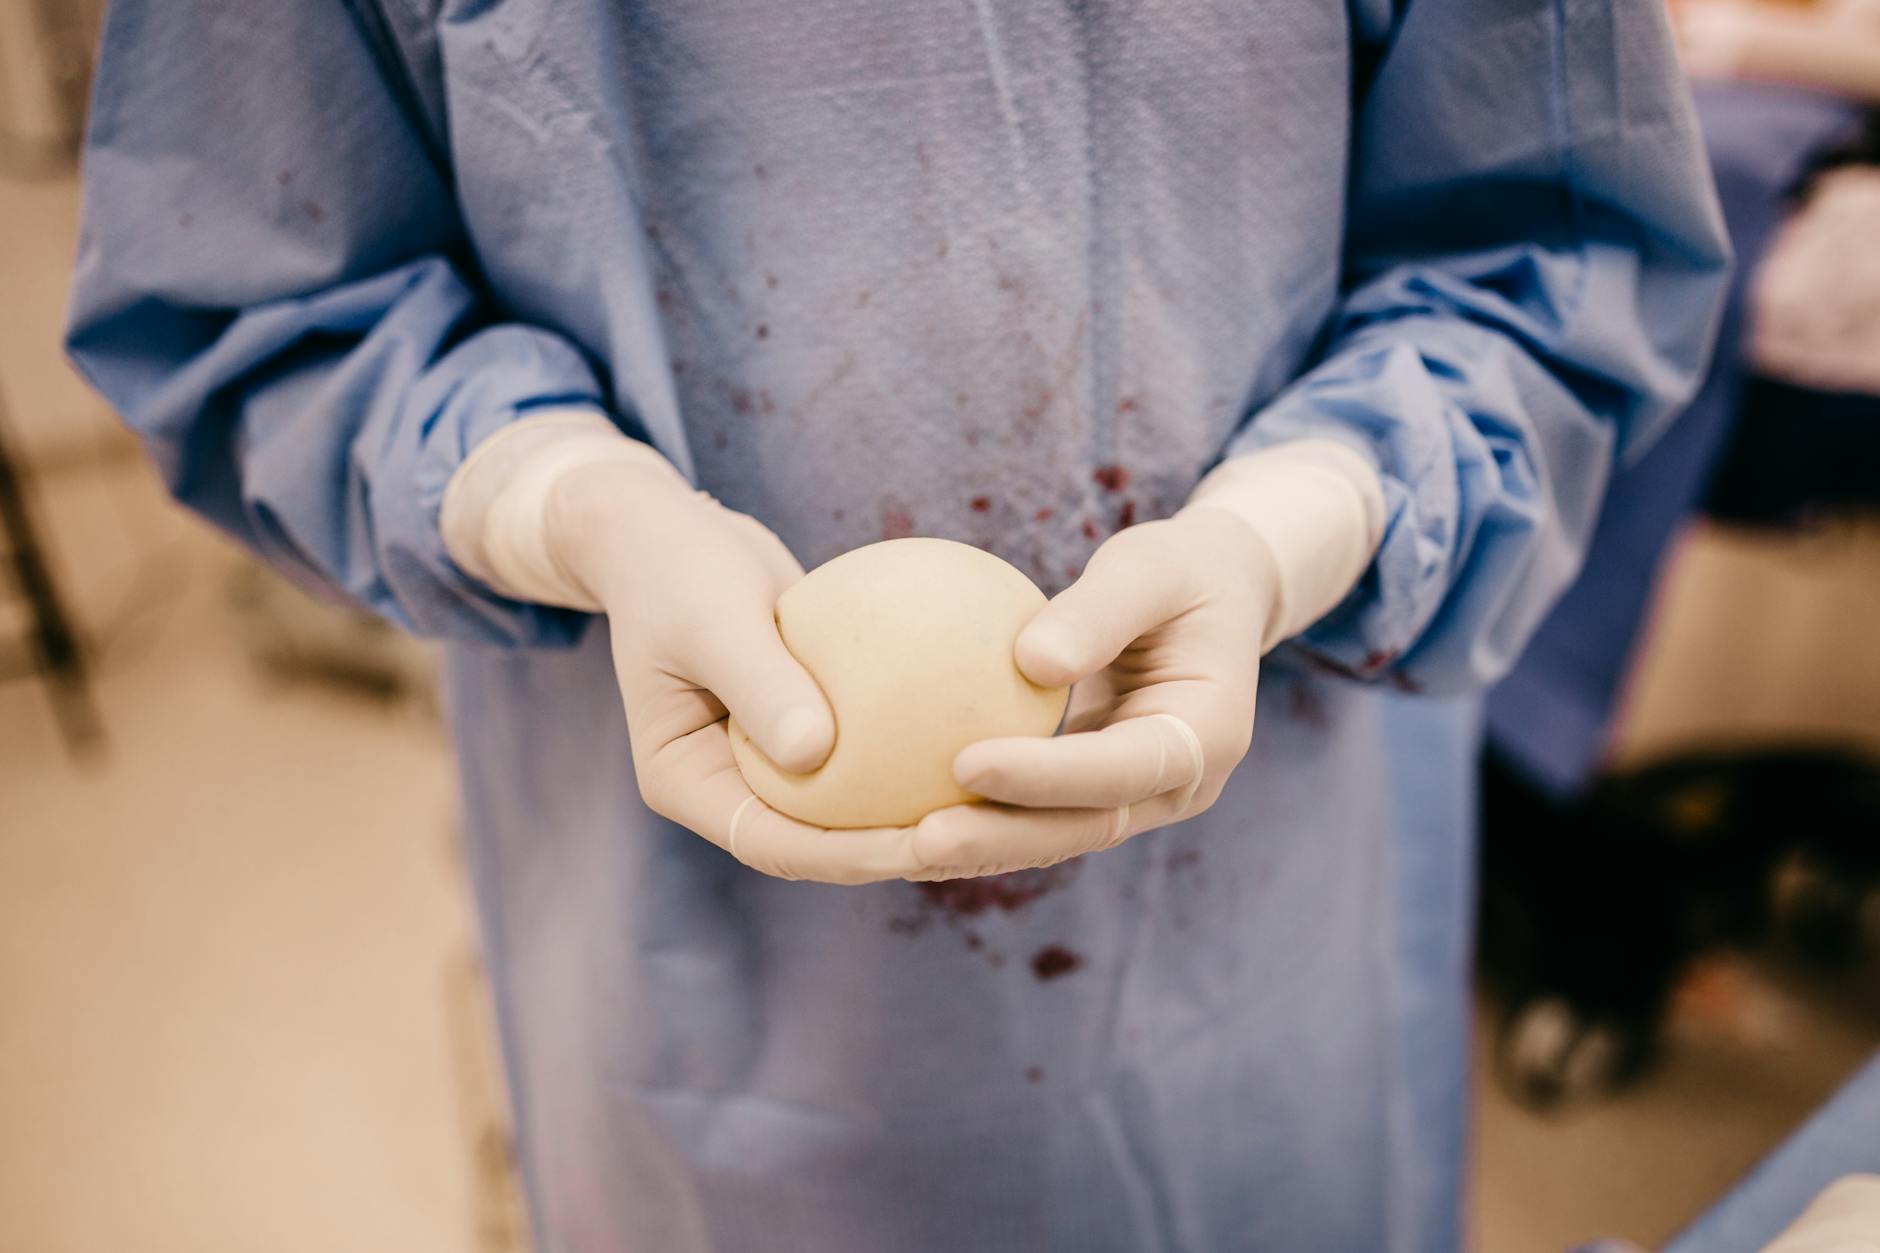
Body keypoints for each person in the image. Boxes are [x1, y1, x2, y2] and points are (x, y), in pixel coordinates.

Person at [66, 1, 1728, 1249]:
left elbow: (1554, 228)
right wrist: (559, 497)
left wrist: (1299, 524)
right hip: (695, 948)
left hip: (1268, 898)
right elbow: (259, 288)